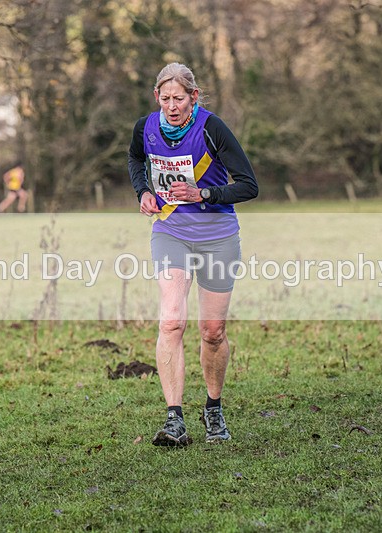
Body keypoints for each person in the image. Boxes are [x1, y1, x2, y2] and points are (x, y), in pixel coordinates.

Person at [128, 63, 258, 446]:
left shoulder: (212, 129)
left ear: (194, 98)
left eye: (179, 99)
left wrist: (205, 194)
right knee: (171, 322)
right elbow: (136, 159)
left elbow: (249, 186)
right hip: (171, 232)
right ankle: (174, 420)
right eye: (165, 98)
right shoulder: (145, 128)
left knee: (212, 332)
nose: (172, 106)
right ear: (157, 97)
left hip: (218, 235)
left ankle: (213, 410)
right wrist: (143, 192)